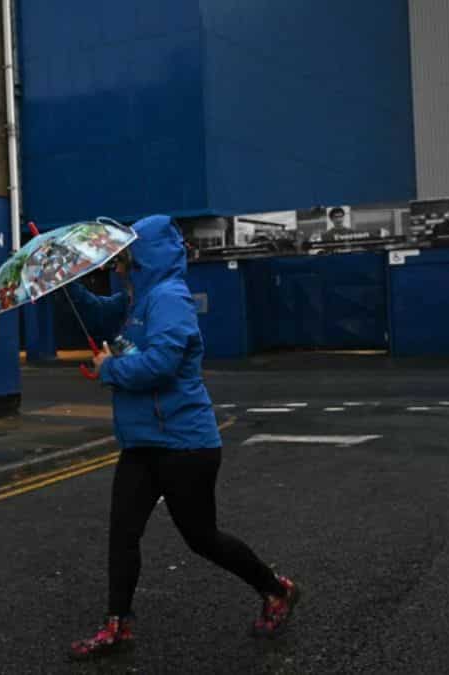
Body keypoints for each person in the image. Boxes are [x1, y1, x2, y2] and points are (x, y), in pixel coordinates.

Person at [64, 214, 300, 661]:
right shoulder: (136, 300)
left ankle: (275, 589)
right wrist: (68, 286)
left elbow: (162, 364)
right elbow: (97, 316)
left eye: (125, 259)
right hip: (142, 443)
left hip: (185, 444)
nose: (117, 266)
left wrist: (108, 370)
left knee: (201, 537)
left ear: (144, 257)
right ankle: (118, 626)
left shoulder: (168, 298)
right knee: (123, 533)